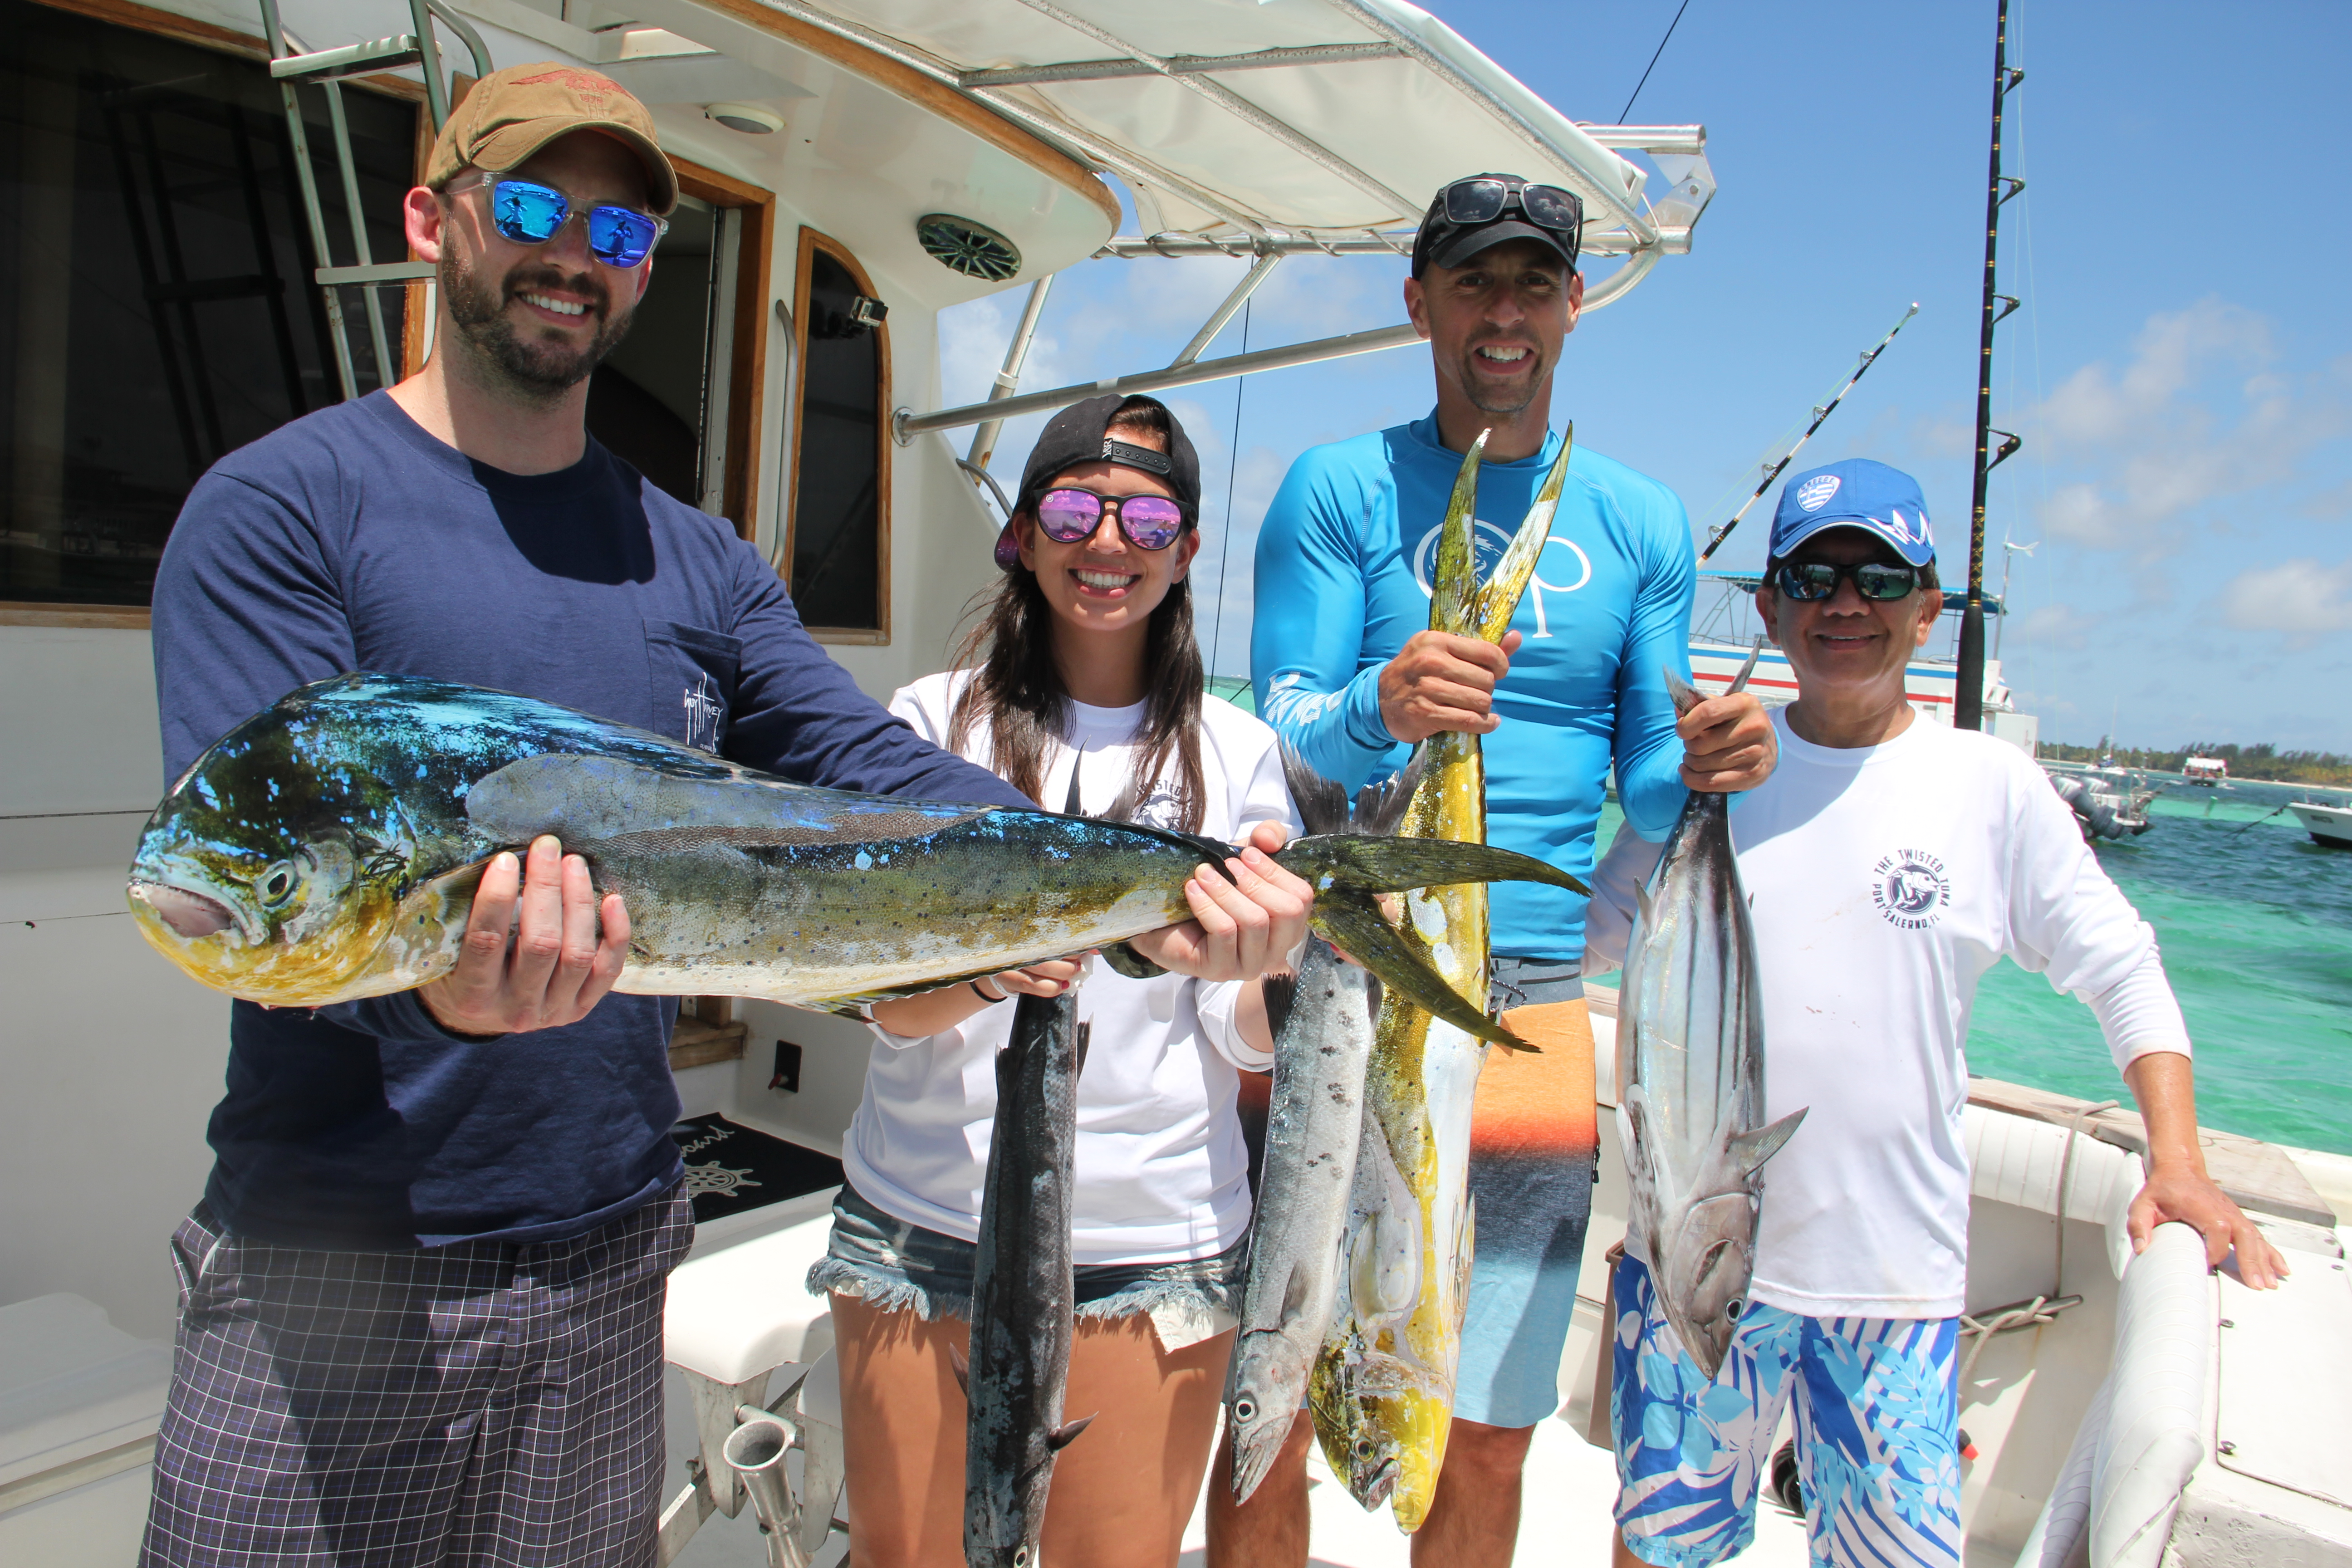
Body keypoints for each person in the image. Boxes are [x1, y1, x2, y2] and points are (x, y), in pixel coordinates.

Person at [136, 69, 1295, 1568]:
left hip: (607, 1244)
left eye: (619, 226)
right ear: (432, 220)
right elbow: (248, 864)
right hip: (331, 1252)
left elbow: (872, 772)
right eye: (536, 206)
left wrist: (1144, 887)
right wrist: (445, 985)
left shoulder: (696, 561)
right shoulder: (284, 506)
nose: (577, 253)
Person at [1582, 458, 2288, 1568]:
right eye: (1814, 577)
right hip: (1697, 1267)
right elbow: (1585, 938)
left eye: (1880, 577)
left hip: (1890, 1285)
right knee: (1659, 1549)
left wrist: (2179, 1162)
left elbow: (2122, 965)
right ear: (1769, 606)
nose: (1845, 603)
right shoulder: (1705, 775)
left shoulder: (1989, 788)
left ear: (1927, 609)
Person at [1229, 173, 1778, 1566]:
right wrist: (1382, 706)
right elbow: (1281, 718)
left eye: (1534, 284)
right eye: (1474, 282)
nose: (1505, 313)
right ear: (1418, 301)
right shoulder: (1338, 487)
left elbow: (1645, 776)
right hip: (1354, 972)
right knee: (1282, 1370)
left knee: (1493, 1408)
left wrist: (1708, 759)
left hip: (1530, 1001)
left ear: (1575, 305)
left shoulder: (1645, 522)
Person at [811, 393, 1313, 1568]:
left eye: (1147, 520)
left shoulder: (1239, 757)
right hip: (923, 1229)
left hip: (1156, 1248)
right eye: (1077, 508)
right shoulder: (927, 727)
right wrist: (998, 972)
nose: (1108, 543)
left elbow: (1239, 1036)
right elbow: (892, 1006)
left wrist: (1268, 971)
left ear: (1188, 552)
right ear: (1024, 535)